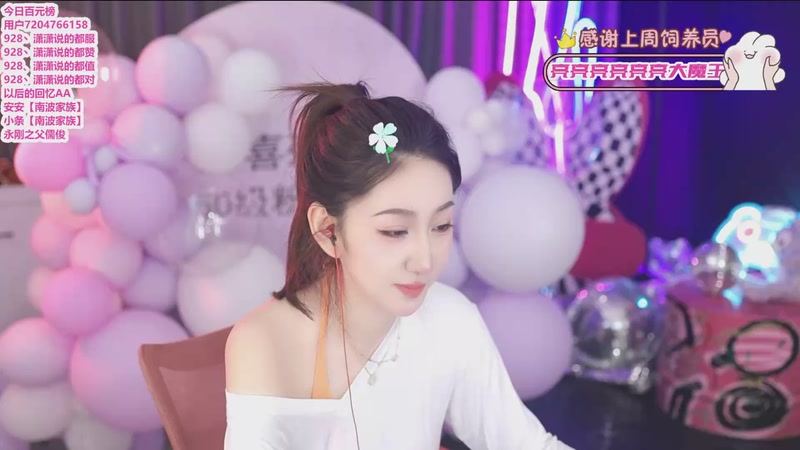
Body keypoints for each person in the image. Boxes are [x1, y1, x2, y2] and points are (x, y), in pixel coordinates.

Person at [223, 82, 574, 450]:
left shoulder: (450, 319)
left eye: (441, 226)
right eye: (395, 231)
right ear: (328, 230)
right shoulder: (266, 342)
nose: (425, 260)